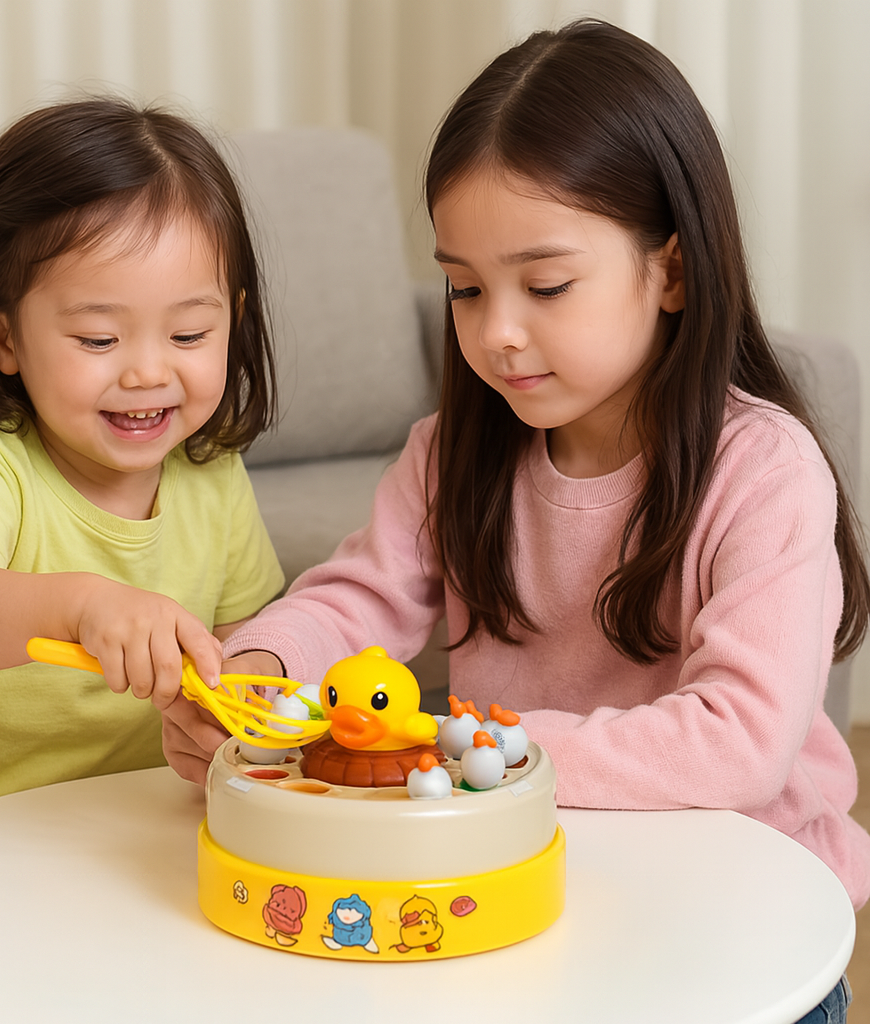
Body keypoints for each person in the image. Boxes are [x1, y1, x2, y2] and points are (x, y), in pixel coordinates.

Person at [162, 20, 868, 1022]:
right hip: (528, 880)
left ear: (671, 270)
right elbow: (353, 601)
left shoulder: (763, 472)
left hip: (742, 906)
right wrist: (257, 673)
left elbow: (740, 740)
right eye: (464, 286)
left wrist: (468, 747)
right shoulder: (453, 452)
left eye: (545, 286)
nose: (496, 330)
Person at [0, 98, 284, 1022]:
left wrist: (237, 714)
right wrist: (83, 603)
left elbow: (249, 640)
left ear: (233, 320)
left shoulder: (213, 474)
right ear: (2, 334)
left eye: (190, 334)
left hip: (103, 843)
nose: (147, 372)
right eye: (98, 339)